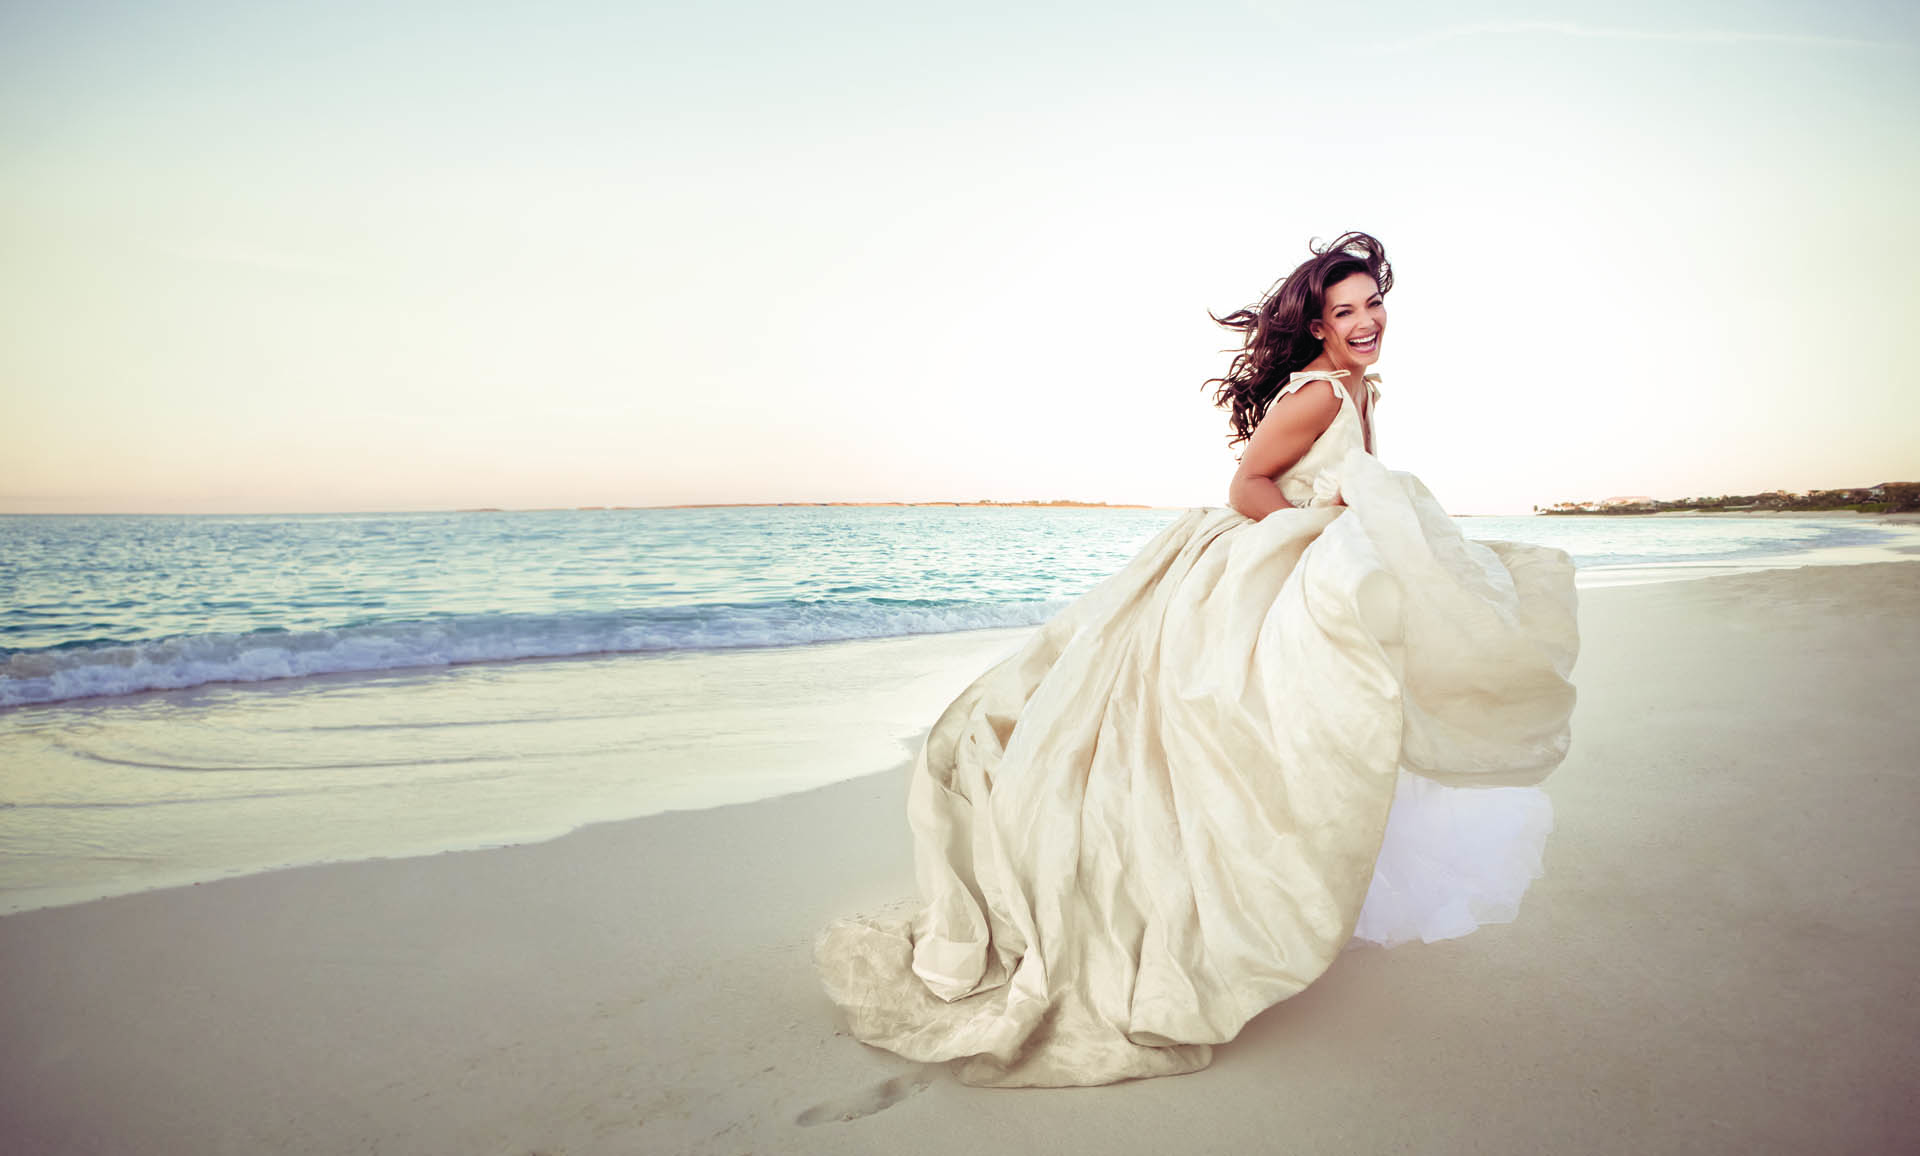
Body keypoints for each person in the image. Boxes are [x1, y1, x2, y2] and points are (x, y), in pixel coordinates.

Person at [813, 232, 1579, 1088]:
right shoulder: (1322, 395)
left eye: (1372, 304)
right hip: (1254, 552)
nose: (1365, 322)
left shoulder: (1361, 386)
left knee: (1309, 720)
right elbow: (1249, 486)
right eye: (1345, 310)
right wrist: (1315, 531)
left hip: (1303, 550)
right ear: (1319, 326)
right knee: (1201, 728)